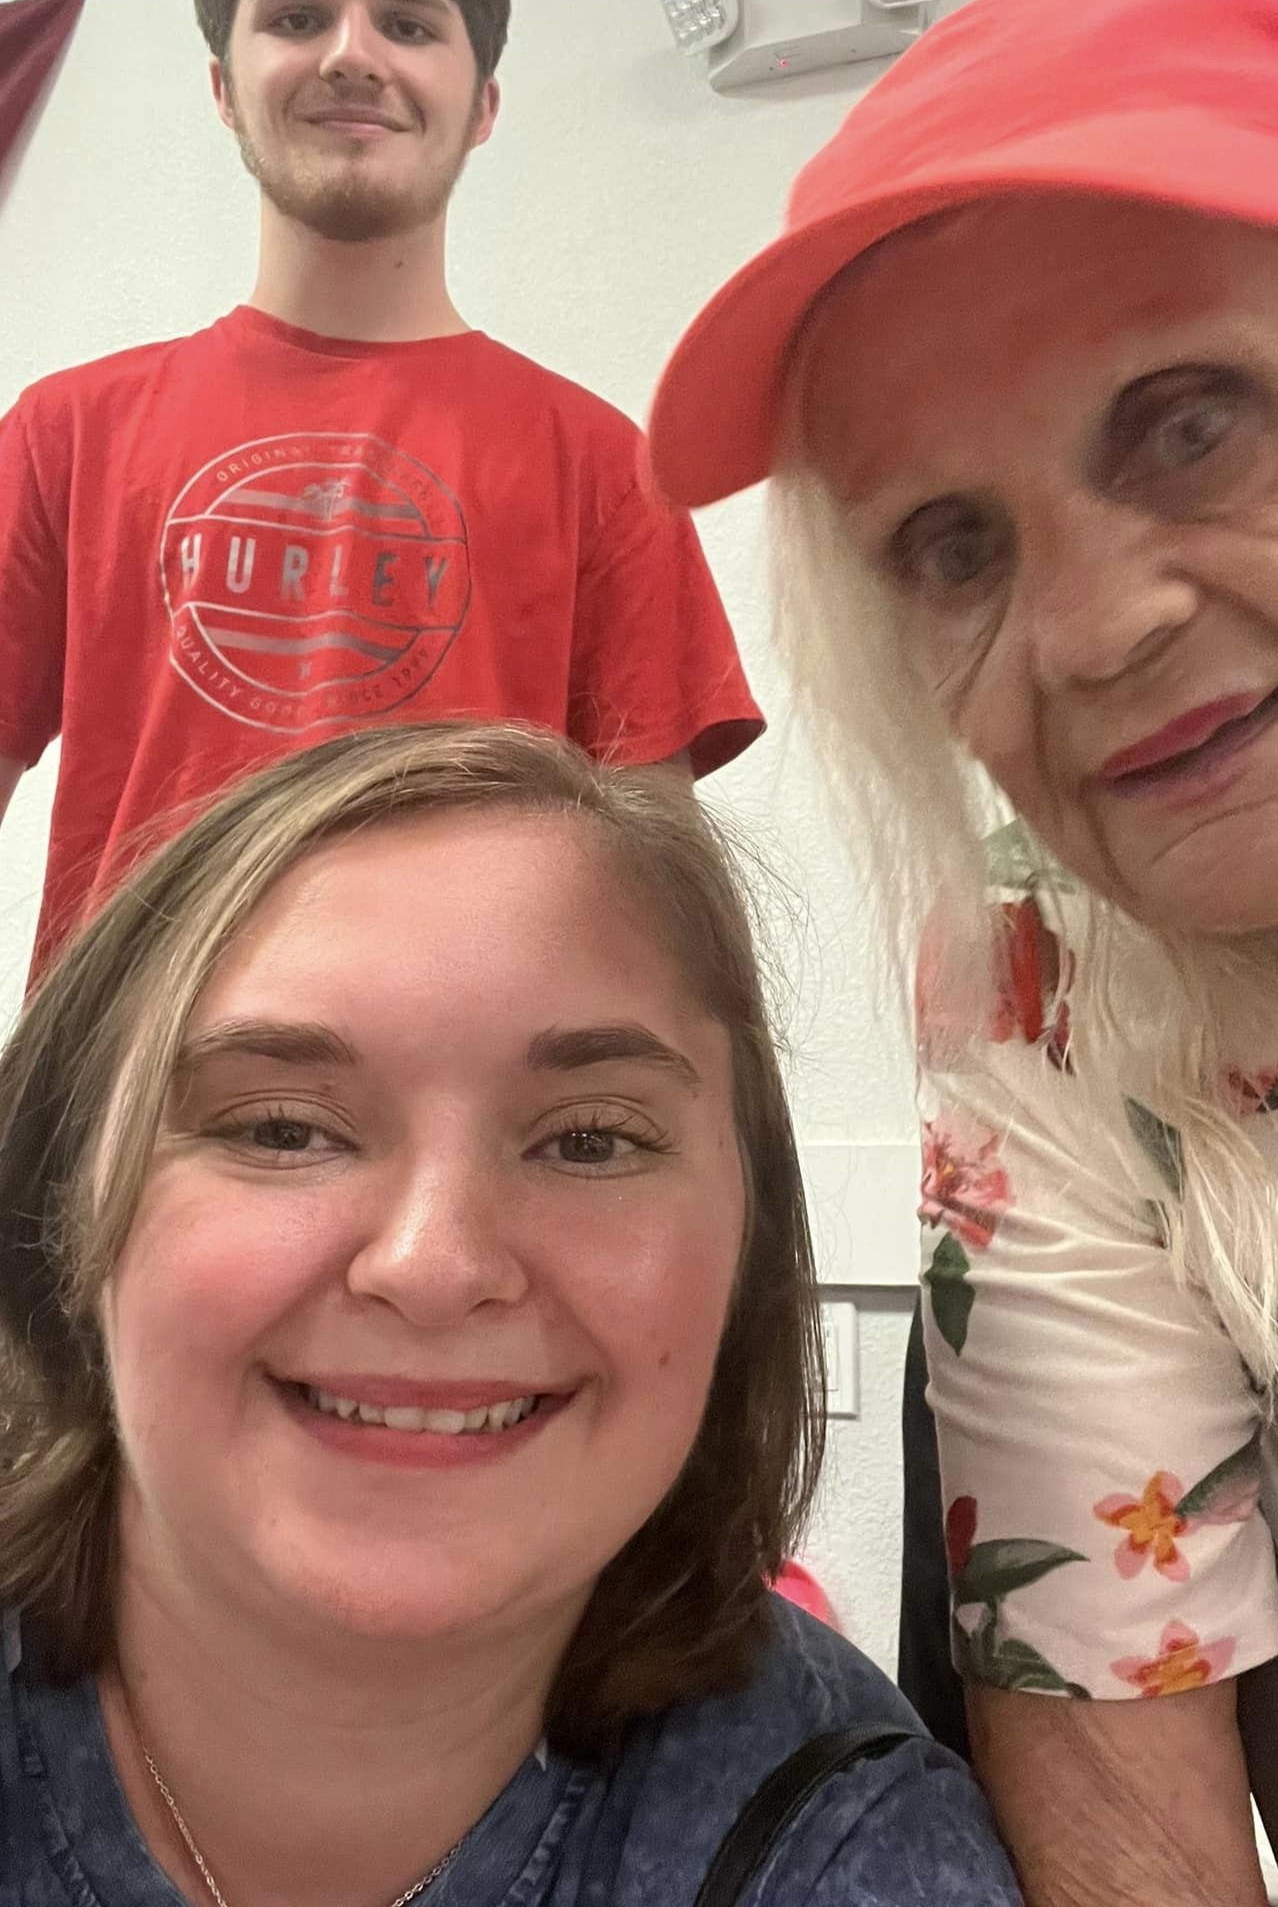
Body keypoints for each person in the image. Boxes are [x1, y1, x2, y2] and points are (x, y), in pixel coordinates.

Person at [647, 0, 1278, 1902]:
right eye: (953, 544)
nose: (1092, 630)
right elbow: (1131, 1817)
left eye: (1192, 425)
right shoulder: (1045, 1002)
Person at [0, 719, 1020, 1906]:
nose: (435, 1264)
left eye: (589, 1140)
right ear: (63, 1209)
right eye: (282, 1127)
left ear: (748, 1249)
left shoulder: (852, 1848)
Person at [0, 0, 759, 970]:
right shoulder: (60, 435)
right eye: (298, 15)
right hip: (125, 1072)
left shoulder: (604, 467)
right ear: (223, 87)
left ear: (483, 105)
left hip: (466, 1071)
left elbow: (660, 908)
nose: (352, 55)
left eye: (407, 23)